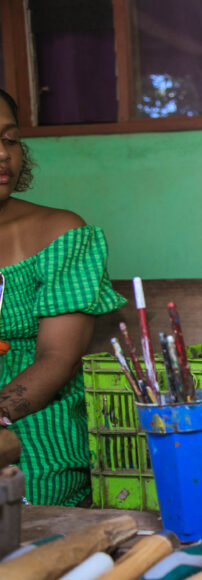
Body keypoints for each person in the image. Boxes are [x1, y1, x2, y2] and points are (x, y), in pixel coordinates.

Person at [0, 89, 126, 506]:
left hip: (32, 422)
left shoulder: (60, 235)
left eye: (8, 139)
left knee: (20, 496)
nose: (2, 154)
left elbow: (57, 357)